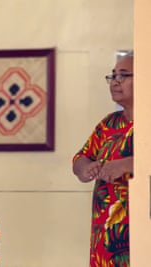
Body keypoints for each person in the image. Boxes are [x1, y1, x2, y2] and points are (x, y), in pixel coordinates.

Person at [72, 52, 133, 267]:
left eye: (123, 75)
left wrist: (126, 164)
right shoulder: (108, 124)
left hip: (137, 232)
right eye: (113, 76)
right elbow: (81, 157)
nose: (115, 82)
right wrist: (86, 168)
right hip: (105, 236)